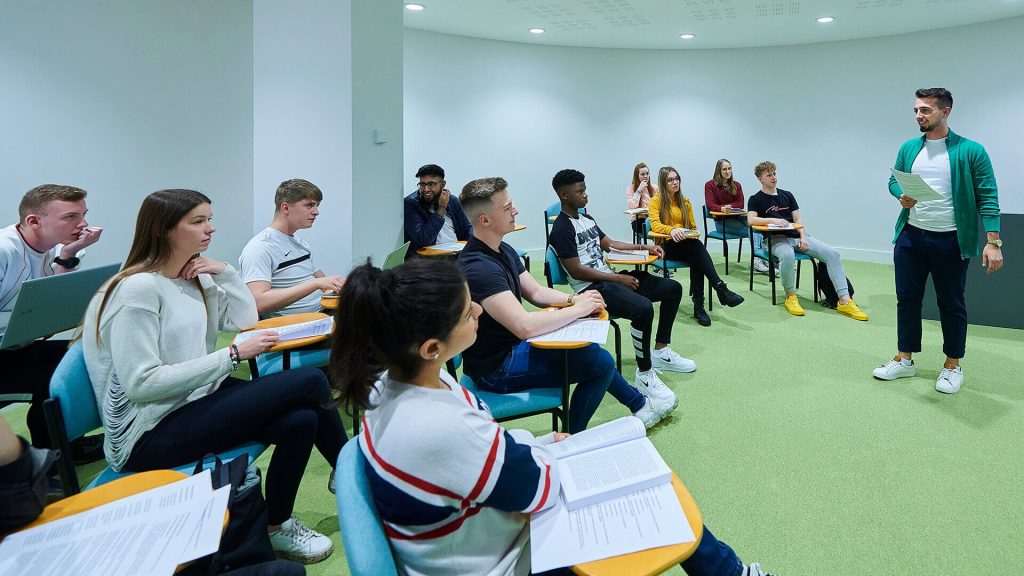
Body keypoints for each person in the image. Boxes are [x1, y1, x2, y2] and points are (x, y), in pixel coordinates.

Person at [330, 258, 776, 576]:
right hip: (504, 557)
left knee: (646, 473)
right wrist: (544, 453)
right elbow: (535, 491)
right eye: (469, 312)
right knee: (659, 496)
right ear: (432, 348)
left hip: (478, 530)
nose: (480, 312)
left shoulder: (394, 385)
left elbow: (489, 452)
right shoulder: (435, 426)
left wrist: (538, 444)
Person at [81, 189, 346, 564]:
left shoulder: (194, 276)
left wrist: (226, 271)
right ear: (163, 230)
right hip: (148, 432)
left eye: (209, 219)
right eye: (199, 221)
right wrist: (232, 355)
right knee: (310, 382)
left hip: (192, 399)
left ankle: (276, 526)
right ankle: (350, 472)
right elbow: (142, 383)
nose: (211, 228)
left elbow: (244, 320)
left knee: (300, 420)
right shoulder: (137, 290)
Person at [457, 177, 673, 430]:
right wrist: (578, 309)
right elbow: (523, 326)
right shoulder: (479, 267)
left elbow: (536, 292)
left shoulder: (502, 249)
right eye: (507, 208)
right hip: (496, 369)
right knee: (600, 363)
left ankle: (640, 406)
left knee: (594, 355)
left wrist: (574, 299)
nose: (515, 211)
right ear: (485, 220)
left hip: (511, 348)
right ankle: (572, 436)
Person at [872, 88, 1003, 394]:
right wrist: (899, 194)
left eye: (926, 110)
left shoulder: (971, 150)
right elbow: (894, 180)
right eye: (917, 109)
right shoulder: (909, 147)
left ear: (945, 112)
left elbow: (989, 195)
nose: (919, 115)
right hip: (911, 236)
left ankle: (952, 365)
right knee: (907, 299)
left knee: (951, 303)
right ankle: (905, 358)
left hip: (951, 240)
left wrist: (993, 240)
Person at [549, 168, 694, 407]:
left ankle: (660, 351)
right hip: (591, 290)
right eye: (580, 191)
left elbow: (611, 245)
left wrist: (644, 248)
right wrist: (618, 280)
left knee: (672, 288)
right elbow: (576, 271)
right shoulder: (561, 228)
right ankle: (644, 374)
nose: (586, 195)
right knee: (644, 308)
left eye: (585, 189)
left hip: (608, 279)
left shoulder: (587, 219)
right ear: (564, 195)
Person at [0, 184, 104, 461]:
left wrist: (70, 253)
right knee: (56, 381)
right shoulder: (3, 250)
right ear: (34, 221)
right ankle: (53, 458)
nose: (83, 224)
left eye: (83, 215)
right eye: (71, 217)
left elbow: (49, 297)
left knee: (85, 356)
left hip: (18, 346)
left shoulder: (53, 248)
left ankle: (69, 443)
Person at [746, 161, 868, 321]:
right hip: (774, 240)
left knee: (833, 254)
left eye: (774, 173)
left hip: (797, 237)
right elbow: (751, 220)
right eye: (769, 175)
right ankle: (791, 297)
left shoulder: (787, 195)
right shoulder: (756, 199)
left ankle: (845, 300)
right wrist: (772, 220)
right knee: (788, 255)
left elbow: (798, 220)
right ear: (760, 178)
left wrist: (803, 236)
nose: (773, 177)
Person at [648, 166, 744, 327]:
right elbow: (655, 225)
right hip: (666, 246)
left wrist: (690, 233)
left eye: (677, 179)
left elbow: (692, 226)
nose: (675, 182)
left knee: (696, 254)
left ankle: (700, 306)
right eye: (670, 180)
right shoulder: (655, 201)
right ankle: (718, 290)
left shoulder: (685, 201)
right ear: (663, 183)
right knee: (696, 249)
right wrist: (672, 230)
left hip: (687, 245)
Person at [239, 178, 345, 318]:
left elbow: (324, 284)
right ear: (286, 208)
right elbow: (258, 303)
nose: (316, 212)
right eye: (309, 205)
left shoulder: (301, 244)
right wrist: (315, 284)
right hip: (297, 325)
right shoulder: (260, 248)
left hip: (323, 312)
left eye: (317, 205)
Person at [704, 159, 768, 274]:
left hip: (738, 217)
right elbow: (710, 205)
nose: (728, 171)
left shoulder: (736, 185)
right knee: (750, 229)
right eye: (724, 169)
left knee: (757, 225)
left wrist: (726, 206)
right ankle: (759, 259)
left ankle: (761, 258)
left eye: (729, 168)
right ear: (718, 170)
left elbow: (740, 204)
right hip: (721, 223)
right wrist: (722, 209)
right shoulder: (710, 185)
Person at [403, 163, 473, 257]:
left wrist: (472, 249)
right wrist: (442, 208)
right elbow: (423, 238)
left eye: (431, 184)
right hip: (428, 262)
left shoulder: (452, 200)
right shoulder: (410, 204)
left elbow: (468, 228)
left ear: (443, 184)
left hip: (457, 256)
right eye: (422, 184)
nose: (426, 189)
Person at [626, 162, 655, 239]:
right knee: (649, 221)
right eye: (642, 174)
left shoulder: (654, 188)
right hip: (638, 220)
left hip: (653, 218)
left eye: (647, 173)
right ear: (637, 176)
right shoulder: (630, 188)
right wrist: (639, 190)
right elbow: (632, 206)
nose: (646, 176)